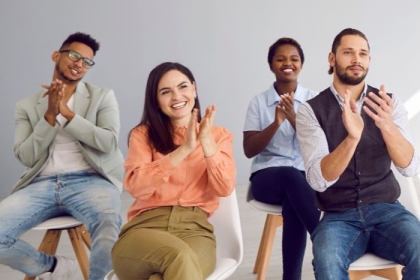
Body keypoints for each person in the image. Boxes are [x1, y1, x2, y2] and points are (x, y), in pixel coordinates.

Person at [296, 28, 420, 279]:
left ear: (369, 60)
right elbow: (318, 180)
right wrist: (352, 137)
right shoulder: (311, 111)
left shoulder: (388, 103)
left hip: (388, 211)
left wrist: (388, 126)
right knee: (327, 264)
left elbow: (410, 167)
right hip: (338, 217)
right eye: (348, 52)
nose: (356, 59)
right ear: (332, 59)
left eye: (363, 53)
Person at [0, 32, 124, 280]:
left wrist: (67, 114)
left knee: (108, 223)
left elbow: (108, 142)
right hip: (41, 186)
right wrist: (49, 116)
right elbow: (26, 157)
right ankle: (53, 267)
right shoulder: (26, 106)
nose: (80, 64)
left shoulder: (102, 97)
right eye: (75, 55)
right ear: (57, 56)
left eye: (87, 61)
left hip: (90, 181)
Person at [111, 62, 236, 280]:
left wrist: (206, 142)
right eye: (166, 92)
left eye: (183, 87)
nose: (177, 96)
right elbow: (137, 188)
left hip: (195, 232)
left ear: (194, 89)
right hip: (144, 231)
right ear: (156, 101)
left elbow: (224, 187)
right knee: (178, 257)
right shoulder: (142, 135)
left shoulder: (219, 136)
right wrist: (185, 149)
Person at [243, 37, 320, 280]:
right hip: (267, 179)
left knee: (294, 200)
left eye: (294, 59)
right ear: (271, 65)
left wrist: (295, 119)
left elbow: (322, 145)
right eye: (280, 59)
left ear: (301, 65)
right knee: (289, 177)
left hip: (303, 180)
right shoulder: (258, 102)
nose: (288, 63)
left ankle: (291, 277)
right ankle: (323, 238)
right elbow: (249, 149)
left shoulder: (314, 99)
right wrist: (276, 123)